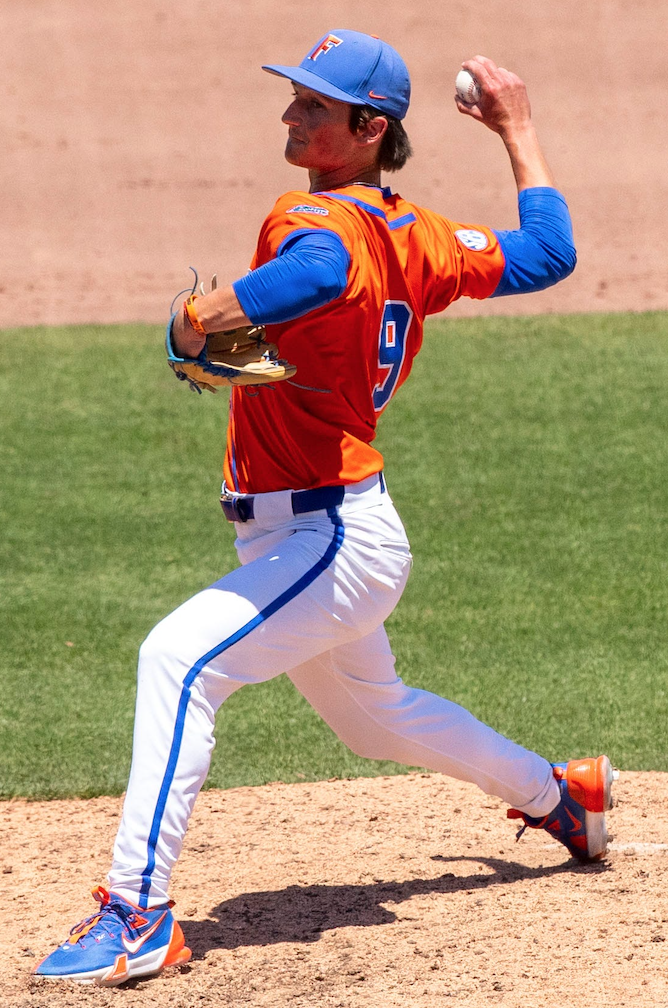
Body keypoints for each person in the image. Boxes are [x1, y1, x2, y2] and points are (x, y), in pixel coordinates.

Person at [34, 29, 615, 987]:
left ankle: (138, 912)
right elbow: (549, 252)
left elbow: (315, 275)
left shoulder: (323, 230)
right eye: (294, 98)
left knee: (176, 662)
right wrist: (518, 130)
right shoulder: (419, 234)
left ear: (368, 127)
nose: (290, 114)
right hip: (331, 529)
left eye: (313, 105)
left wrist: (201, 315)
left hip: (330, 536)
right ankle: (564, 796)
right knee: (376, 720)